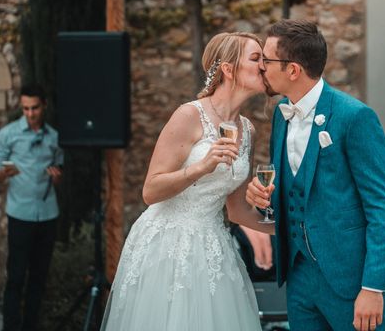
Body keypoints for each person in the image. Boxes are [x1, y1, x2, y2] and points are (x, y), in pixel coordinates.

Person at [101, 32, 273, 331]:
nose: (264, 66)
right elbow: (150, 190)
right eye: (256, 58)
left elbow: (237, 212)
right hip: (167, 246)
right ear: (229, 70)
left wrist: (288, 229)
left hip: (213, 248)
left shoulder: (247, 130)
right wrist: (201, 167)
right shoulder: (189, 115)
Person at [246, 20, 385, 331]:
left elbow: (383, 206)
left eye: (267, 59)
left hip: (350, 281)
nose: (261, 66)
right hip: (298, 277)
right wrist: (261, 198)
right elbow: (289, 192)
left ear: (293, 70)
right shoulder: (281, 115)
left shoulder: (354, 117)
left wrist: (373, 287)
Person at [0, 84, 64, 331]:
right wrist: (3, 173)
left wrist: (57, 177)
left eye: (34, 108)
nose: (30, 113)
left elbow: (60, 172)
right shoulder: (7, 134)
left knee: (39, 277)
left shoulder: (55, 137)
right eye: (25, 108)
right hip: (20, 213)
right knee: (15, 277)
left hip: (48, 213)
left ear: (43, 106)